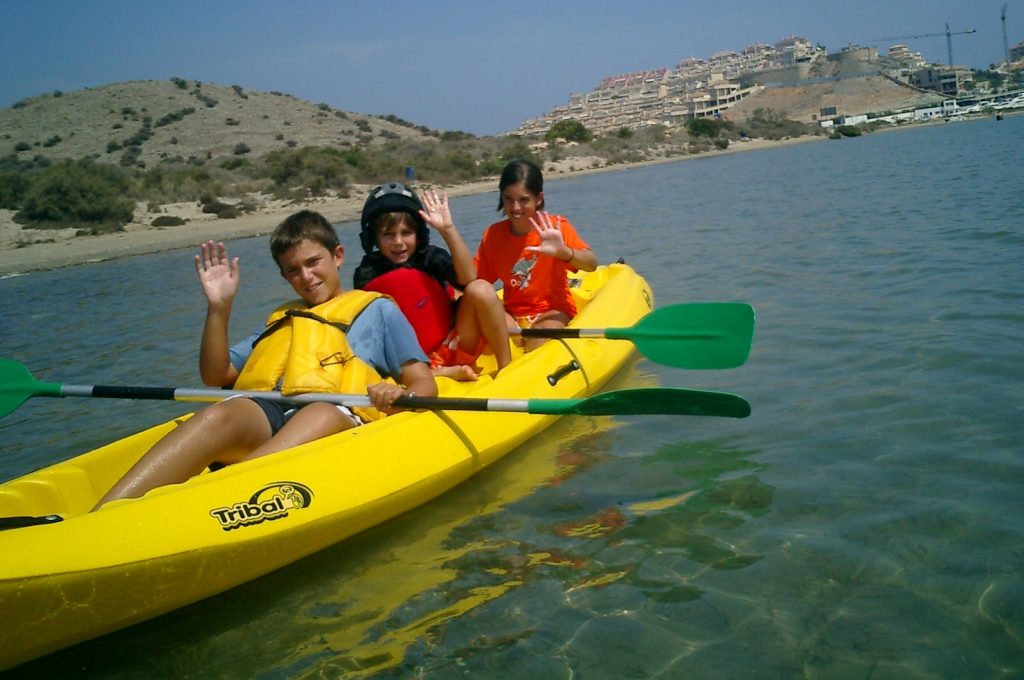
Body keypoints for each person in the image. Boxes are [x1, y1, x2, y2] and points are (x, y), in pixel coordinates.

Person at [94, 210, 436, 508]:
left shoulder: (378, 310)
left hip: (336, 414)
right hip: (271, 413)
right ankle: (104, 515)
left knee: (320, 411)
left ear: (338, 256)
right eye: (293, 270)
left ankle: (209, 498)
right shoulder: (282, 319)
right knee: (221, 414)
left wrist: (397, 395)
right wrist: (218, 309)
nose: (306, 277)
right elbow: (217, 375)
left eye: (313, 262)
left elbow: (424, 382)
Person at [354, 181, 511, 381]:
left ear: (419, 234)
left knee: (480, 288)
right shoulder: (366, 273)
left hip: (452, 343)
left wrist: (448, 230)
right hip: (412, 363)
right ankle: (438, 373)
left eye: (406, 233)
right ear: (373, 238)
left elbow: (468, 279)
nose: (398, 242)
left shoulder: (430, 257)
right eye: (388, 235)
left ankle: (506, 367)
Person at [474, 160, 597, 352]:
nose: (515, 208)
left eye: (523, 200)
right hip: (512, 314)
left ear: (538, 198)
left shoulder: (556, 227)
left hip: (552, 312)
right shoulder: (492, 235)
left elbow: (591, 264)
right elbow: (475, 281)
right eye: (508, 199)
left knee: (536, 346)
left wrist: (564, 252)